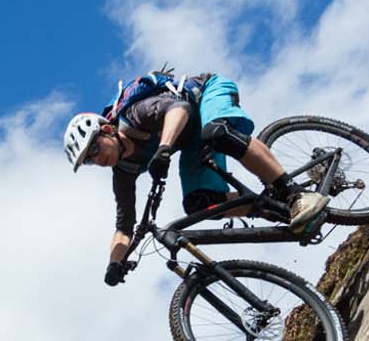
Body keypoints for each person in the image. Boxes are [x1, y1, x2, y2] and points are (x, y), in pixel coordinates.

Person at [63, 74, 328, 286]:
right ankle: (279, 209)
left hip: (206, 94)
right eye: (89, 160)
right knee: (200, 204)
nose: (96, 160)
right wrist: (114, 265)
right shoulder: (122, 172)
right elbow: (124, 227)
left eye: (94, 149)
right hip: (192, 140)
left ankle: (296, 195)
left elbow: (179, 109)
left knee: (217, 133)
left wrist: (164, 147)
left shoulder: (134, 117)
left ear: (107, 131)